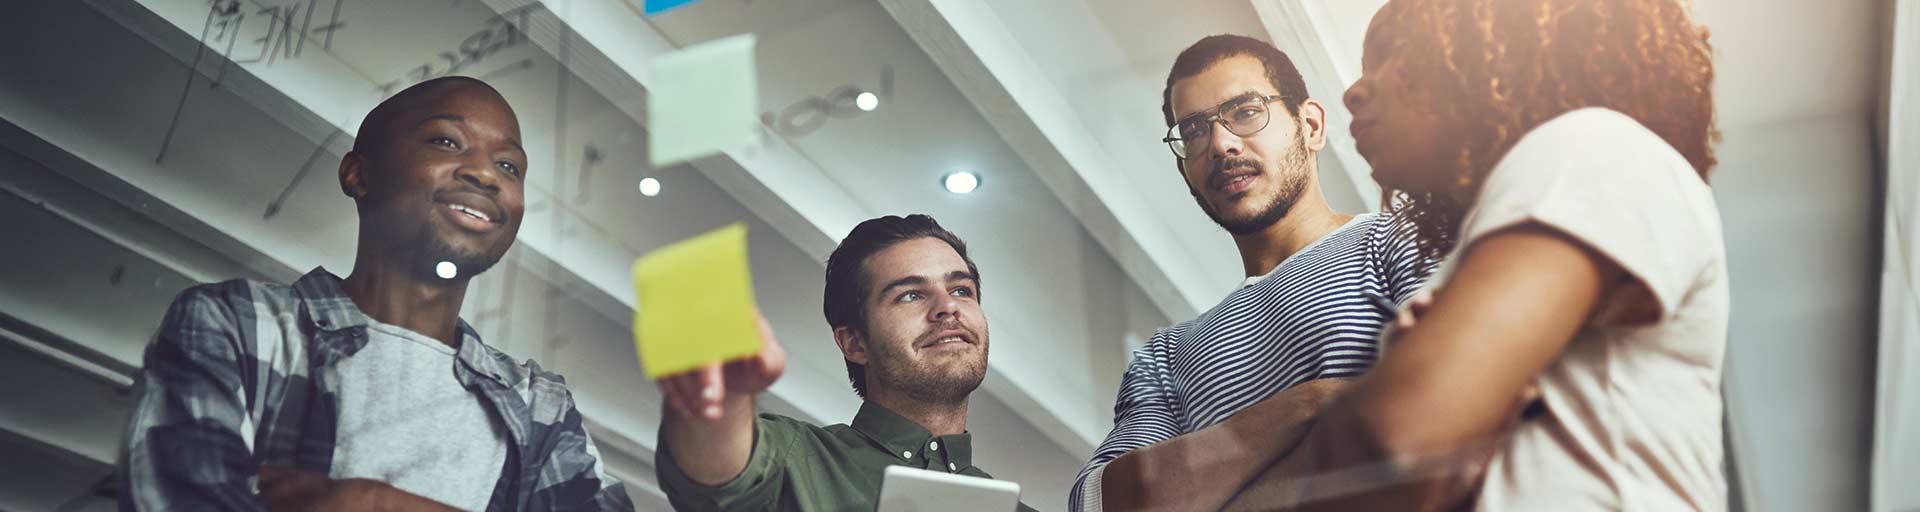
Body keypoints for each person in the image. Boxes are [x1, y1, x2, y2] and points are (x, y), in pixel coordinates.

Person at [1221, 0, 1728, 509]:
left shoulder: (1588, 146)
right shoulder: (1500, 229)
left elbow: (1392, 438)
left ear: (1481, 53)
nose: (1354, 91)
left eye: (1390, 55)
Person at [119, 76, 631, 511]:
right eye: (447, 142)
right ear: (358, 174)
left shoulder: (539, 404)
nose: (484, 174)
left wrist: (371, 502)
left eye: (509, 166)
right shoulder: (241, 324)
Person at [1072, 35, 1435, 511]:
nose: (1220, 144)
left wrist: (1214, 479)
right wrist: (1305, 406)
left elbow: (1460, 405)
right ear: (1185, 169)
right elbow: (1096, 503)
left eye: (1245, 111)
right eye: (1196, 130)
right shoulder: (1165, 355)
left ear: (1310, 125)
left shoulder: (1402, 237)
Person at [653, 214, 1038, 512]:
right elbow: (719, 471)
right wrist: (722, 397)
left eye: (960, 289)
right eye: (910, 295)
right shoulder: (797, 458)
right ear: (854, 342)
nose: (948, 307)